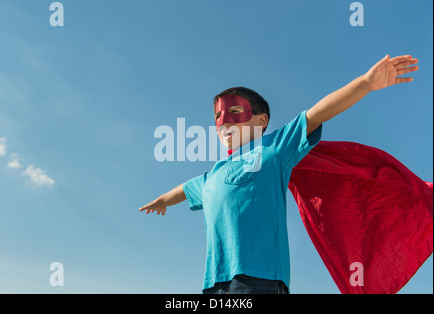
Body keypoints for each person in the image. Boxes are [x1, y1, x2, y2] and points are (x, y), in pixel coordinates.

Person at [139, 55, 421, 294]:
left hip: (259, 278)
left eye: (235, 111)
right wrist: (162, 200)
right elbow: (185, 189)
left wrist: (365, 83)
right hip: (214, 282)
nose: (223, 121)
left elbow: (318, 113)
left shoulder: (274, 149)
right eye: (217, 117)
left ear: (261, 121)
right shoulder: (212, 175)